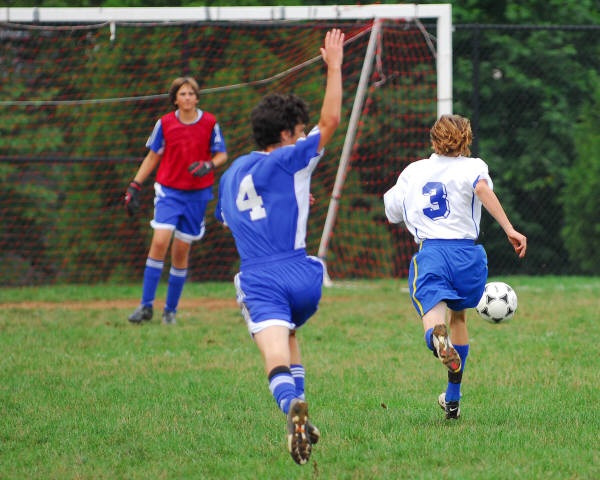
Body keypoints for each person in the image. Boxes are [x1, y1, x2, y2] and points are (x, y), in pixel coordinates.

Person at [214, 29, 344, 464]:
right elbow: (332, 121)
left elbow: (230, 219)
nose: (305, 137)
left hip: (260, 275)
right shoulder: (292, 161)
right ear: (288, 135)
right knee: (289, 335)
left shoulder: (232, 173)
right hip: (303, 276)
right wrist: (334, 66)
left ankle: (291, 406)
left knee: (274, 354)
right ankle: (302, 415)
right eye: (301, 132)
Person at [383, 114, 527, 419]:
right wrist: (509, 228)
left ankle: (437, 338)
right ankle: (452, 398)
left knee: (434, 318)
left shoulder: (413, 171)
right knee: (458, 317)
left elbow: (392, 212)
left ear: (434, 139)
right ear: (466, 139)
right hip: (467, 256)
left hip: (433, 254)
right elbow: (482, 189)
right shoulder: (474, 166)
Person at [124, 77, 227, 325]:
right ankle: (146, 306)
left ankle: (170, 311)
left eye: (191, 93)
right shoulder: (165, 123)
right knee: (160, 241)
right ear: (175, 99)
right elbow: (152, 156)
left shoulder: (209, 122)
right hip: (169, 191)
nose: (188, 97)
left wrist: (209, 165)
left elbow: (222, 154)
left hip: (197, 194)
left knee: (180, 252)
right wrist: (135, 185)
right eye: (183, 94)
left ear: (197, 98)